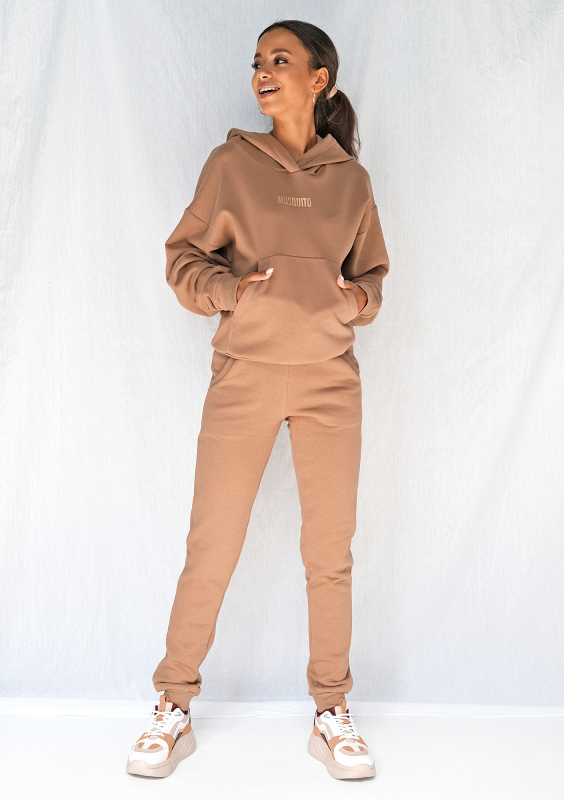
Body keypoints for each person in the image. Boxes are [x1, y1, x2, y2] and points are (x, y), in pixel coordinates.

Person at [126, 19, 389, 782]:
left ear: (320, 79)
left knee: (329, 553)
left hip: (329, 382)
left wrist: (352, 300)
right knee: (211, 545)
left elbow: (373, 277)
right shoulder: (230, 165)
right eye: (257, 62)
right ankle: (173, 704)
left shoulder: (351, 181)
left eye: (281, 60)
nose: (263, 73)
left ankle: (331, 710)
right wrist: (230, 290)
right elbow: (182, 258)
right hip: (243, 376)